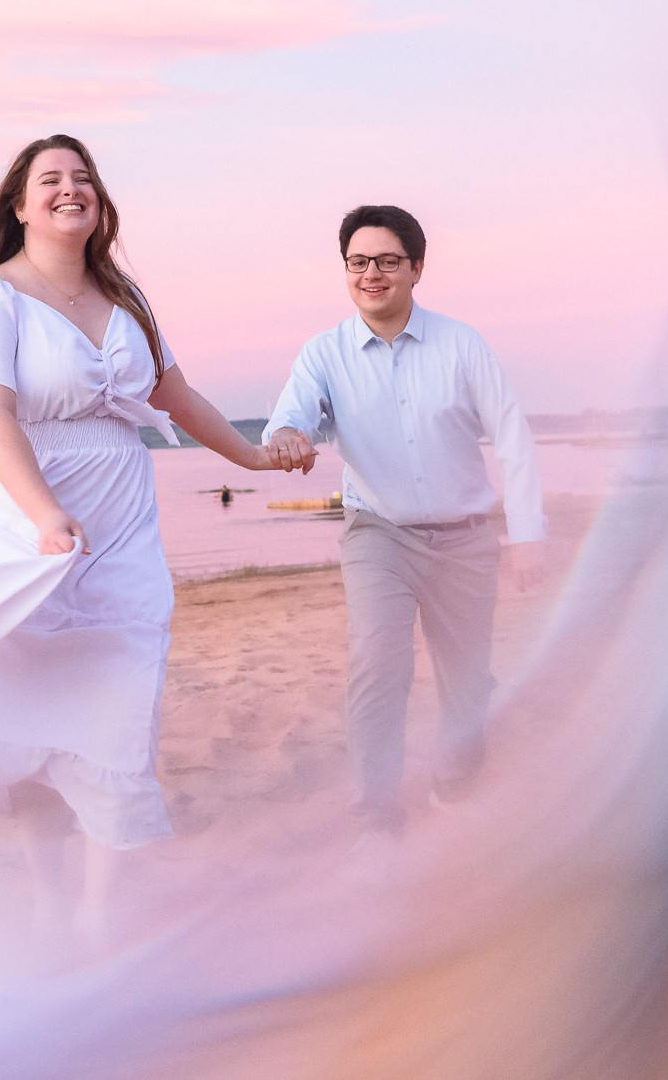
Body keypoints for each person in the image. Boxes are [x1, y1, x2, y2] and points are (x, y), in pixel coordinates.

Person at [0, 133, 310, 938]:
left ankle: (100, 915)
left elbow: (178, 398)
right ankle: (49, 896)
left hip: (121, 522)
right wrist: (42, 513)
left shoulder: (124, 297)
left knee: (119, 700)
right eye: (51, 179)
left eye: (84, 176)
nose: (71, 188)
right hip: (22, 514)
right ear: (20, 205)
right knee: (37, 707)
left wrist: (255, 456)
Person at [262, 205, 546, 851]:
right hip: (378, 532)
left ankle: (455, 785)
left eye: (388, 261)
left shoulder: (462, 345)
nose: (372, 273)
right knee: (378, 662)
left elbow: (512, 435)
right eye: (358, 262)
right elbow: (293, 415)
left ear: (416, 268)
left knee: (468, 677)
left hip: (466, 536)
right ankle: (377, 818)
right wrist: (287, 435)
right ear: (345, 270)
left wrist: (527, 532)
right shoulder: (324, 352)